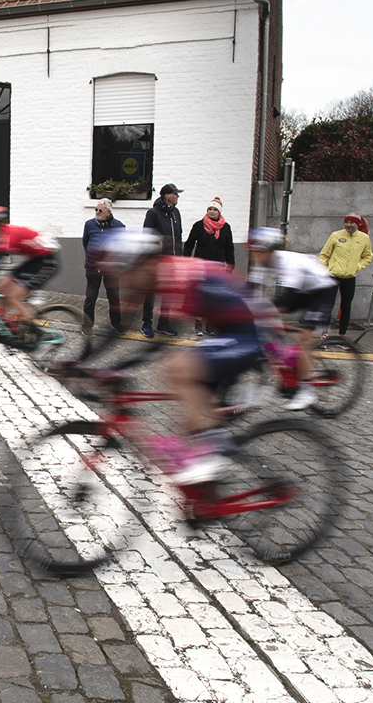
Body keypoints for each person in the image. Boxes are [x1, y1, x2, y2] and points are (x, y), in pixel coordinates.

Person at [96, 228, 270, 484]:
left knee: (177, 368)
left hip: (250, 333)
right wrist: (83, 364)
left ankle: (211, 459)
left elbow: (160, 344)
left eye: (124, 274)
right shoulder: (151, 276)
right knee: (191, 420)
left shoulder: (178, 276)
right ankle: (206, 490)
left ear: (142, 264)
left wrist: (115, 369)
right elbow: (117, 330)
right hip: (229, 331)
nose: (123, 282)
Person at [246, 227, 338, 410]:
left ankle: (305, 391)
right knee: (265, 316)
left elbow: (288, 299)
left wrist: (262, 309)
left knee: (303, 338)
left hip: (322, 291)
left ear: (271, 251)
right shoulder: (262, 261)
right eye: (254, 253)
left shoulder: (289, 262)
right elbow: (250, 287)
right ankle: (289, 359)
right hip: (303, 291)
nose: (257, 257)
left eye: (260, 253)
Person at [0, 206, 59, 347]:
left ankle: (39, 332)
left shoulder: (8, 234)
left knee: (13, 296)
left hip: (46, 263)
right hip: (34, 260)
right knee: (0, 287)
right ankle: (6, 327)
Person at [183, 196, 236, 336]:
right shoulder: (199, 225)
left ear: (219, 212)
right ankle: (198, 324)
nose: (212, 212)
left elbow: (229, 248)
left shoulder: (225, 228)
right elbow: (189, 244)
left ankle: (210, 326)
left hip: (218, 267)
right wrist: (186, 261)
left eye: (215, 209)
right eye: (209, 209)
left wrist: (230, 264)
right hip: (200, 266)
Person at [318, 213, 373, 336]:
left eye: (352, 223)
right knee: (328, 305)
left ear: (358, 224)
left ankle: (342, 335)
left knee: (346, 306)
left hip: (349, 278)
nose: (348, 225)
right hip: (333, 276)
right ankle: (324, 333)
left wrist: (357, 267)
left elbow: (368, 256)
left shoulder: (364, 238)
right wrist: (325, 270)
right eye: (346, 222)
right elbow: (323, 255)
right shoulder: (335, 235)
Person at [141, 183, 184, 337]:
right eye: (175, 194)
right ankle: (146, 323)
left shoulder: (176, 213)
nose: (177, 197)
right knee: (151, 294)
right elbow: (147, 237)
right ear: (166, 196)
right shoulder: (153, 213)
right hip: (157, 262)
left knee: (168, 294)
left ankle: (163, 323)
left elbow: (178, 236)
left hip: (172, 261)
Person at [82, 198, 126, 335]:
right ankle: (87, 325)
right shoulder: (89, 224)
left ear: (109, 212)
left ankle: (116, 323)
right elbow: (85, 243)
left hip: (111, 268)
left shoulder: (119, 227)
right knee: (90, 297)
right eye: (96, 209)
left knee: (114, 297)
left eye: (100, 210)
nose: (97, 212)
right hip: (93, 267)